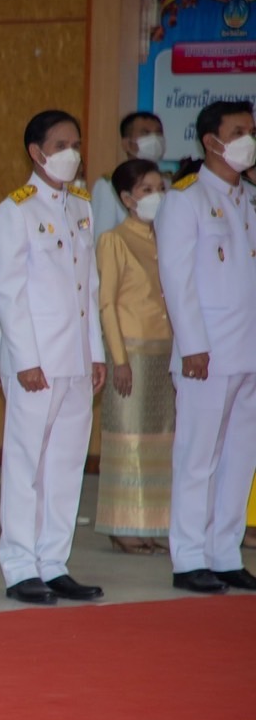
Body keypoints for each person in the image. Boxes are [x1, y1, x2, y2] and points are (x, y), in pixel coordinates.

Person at [0, 109, 107, 605]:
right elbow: (8, 292)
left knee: (65, 462)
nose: (72, 153)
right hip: (36, 359)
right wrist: (23, 359)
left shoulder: (81, 204)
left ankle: (53, 560)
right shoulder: (16, 210)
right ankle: (20, 565)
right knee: (26, 463)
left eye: (76, 143)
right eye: (61, 144)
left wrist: (96, 351)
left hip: (76, 358)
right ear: (36, 152)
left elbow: (91, 286)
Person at [156, 99, 256, 592]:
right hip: (207, 353)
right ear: (212, 141)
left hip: (249, 351)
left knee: (239, 457)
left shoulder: (248, 199)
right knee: (198, 458)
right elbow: (177, 279)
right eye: (239, 131)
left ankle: (224, 551)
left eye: (251, 131)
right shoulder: (186, 198)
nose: (248, 139)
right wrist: (192, 344)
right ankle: (189, 556)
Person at [94, 158, 172, 555]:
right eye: (146, 190)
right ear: (126, 198)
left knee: (159, 440)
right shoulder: (115, 240)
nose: (156, 196)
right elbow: (106, 303)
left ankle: (149, 524)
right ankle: (122, 525)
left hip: (164, 353)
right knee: (128, 440)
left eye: (161, 188)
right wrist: (118, 359)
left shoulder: (166, 239)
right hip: (131, 353)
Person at [91, 112, 165, 238]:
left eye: (158, 133)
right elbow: (102, 236)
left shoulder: (167, 182)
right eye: (146, 133)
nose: (154, 139)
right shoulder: (109, 185)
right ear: (126, 144)